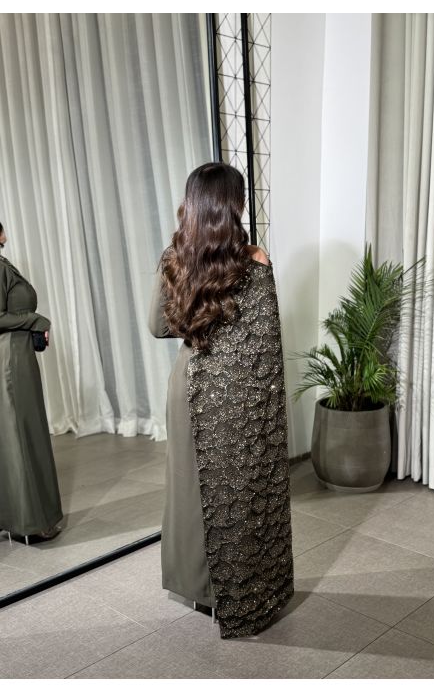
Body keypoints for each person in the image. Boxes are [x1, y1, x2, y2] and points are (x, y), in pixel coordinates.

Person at [149, 162, 294, 639]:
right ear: (234, 205)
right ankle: (242, 592)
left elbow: (157, 326)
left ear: (191, 205)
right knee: (241, 492)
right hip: (240, 393)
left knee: (190, 488)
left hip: (189, 384)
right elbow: (265, 344)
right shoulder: (254, 261)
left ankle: (197, 588)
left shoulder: (175, 258)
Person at [0, 222, 62, 542]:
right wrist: (38, 320)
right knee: (21, 434)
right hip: (11, 360)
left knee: (16, 435)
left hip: (16, 355)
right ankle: (31, 523)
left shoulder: (3, 264)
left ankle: (17, 517)